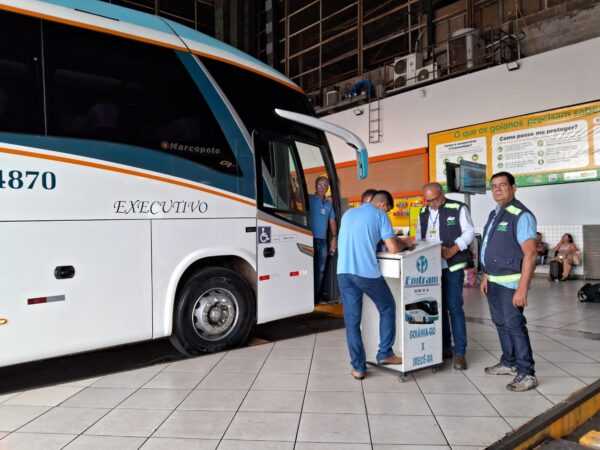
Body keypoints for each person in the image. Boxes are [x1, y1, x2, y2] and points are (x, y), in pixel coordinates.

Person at [337, 190, 411, 380]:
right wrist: (406, 243)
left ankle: (358, 368)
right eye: (388, 209)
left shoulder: (348, 213)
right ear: (382, 204)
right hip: (366, 273)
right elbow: (393, 248)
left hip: (343, 272)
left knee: (352, 323)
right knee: (387, 307)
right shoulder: (379, 215)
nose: (387, 212)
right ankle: (385, 353)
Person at [480, 172, 538, 392]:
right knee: (501, 323)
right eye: (494, 186)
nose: (497, 189)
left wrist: (522, 289)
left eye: (503, 185)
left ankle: (527, 373)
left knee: (514, 326)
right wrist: (486, 275)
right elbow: (490, 247)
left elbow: (530, 254)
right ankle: (509, 362)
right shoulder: (494, 213)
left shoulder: (521, 215)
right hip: (493, 281)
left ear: (513, 188)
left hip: (511, 284)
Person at [417, 182, 474, 370]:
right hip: (431, 268)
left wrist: (453, 249)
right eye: (427, 200)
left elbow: (469, 232)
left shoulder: (458, 208)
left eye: (433, 200)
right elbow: (419, 236)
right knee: (437, 308)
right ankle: (444, 348)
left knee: (454, 307)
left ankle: (460, 352)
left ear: (441, 195)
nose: (430, 204)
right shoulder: (423, 212)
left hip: (452, 265)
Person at [309, 176, 337, 299]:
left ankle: (316, 296)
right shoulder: (309, 199)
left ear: (327, 188)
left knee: (321, 269)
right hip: (309, 239)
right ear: (315, 186)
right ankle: (308, 296)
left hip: (323, 242)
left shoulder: (328, 204)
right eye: (320, 184)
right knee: (309, 269)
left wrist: (334, 238)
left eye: (325, 185)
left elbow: (332, 222)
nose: (322, 187)